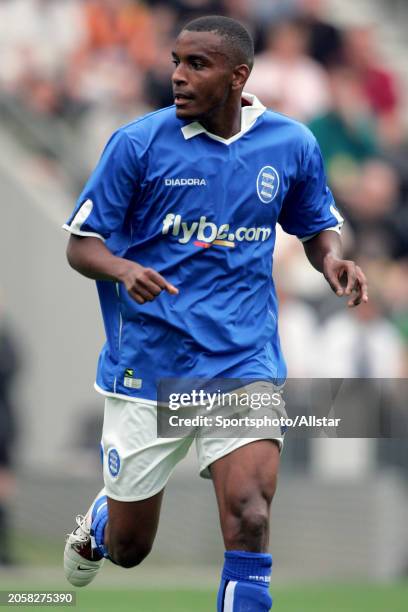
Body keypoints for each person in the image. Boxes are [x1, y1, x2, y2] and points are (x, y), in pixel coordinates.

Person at [62, 15, 368, 611]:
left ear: (238, 76)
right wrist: (124, 269)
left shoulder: (290, 144)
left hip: (242, 358)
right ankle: (105, 518)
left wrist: (331, 260)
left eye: (196, 65)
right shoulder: (138, 144)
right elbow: (81, 243)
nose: (177, 76)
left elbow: (315, 225)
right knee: (130, 548)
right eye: (176, 61)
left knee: (250, 514)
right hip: (150, 365)